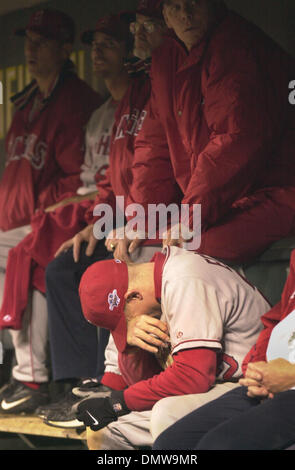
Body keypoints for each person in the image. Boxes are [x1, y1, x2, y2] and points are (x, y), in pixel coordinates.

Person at [39, 1, 177, 428]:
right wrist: (94, 224)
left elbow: (166, 166)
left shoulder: (166, 82)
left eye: (145, 27)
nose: (139, 36)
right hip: (130, 216)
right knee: (65, 267)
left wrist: (142, 219)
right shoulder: (132, 92)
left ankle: (112, 386)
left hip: (169, 217)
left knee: (110, 277)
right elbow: (119, 176)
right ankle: (80, 382)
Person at [0, 12, 129, 414]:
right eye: (29, 40)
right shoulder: (29, 106)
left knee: (34, 262)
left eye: (42, 41)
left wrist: (49, 211)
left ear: (63, 49)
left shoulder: (78, 103)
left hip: (75, 215)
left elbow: (82, 181)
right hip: (40, 217)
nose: (31, 48)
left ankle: (32, 377)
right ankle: (27, 373)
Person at [133, 0, 295, 264]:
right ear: (164, 13)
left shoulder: (234, 45)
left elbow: (235, 138)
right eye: (175, 6)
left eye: (194, 3)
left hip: (277, 190)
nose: (186, 14)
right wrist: (142, 219)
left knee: (192, 250)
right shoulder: (166, 58)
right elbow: (154, 146)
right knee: (143, 248)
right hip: (219, 201)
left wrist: (192, 215)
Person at [74, 246, 270, 450]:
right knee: (105, 431)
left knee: (166, 414)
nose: (130, 327)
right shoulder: (153, 291)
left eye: (126, 321)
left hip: (252, 385)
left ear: (133, 297)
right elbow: (142, 381)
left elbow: (193, 377)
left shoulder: (184, 279)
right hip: (216, 387)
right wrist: (132, 349)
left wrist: (118, 403)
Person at [153, 250, 295, 450]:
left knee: (217, 445)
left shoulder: (186, 276)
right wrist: (259, 368)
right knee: (170, 444)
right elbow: (276, 320)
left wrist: (290, 375)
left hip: (290, 383)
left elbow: (193, 376)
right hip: (269, 382)